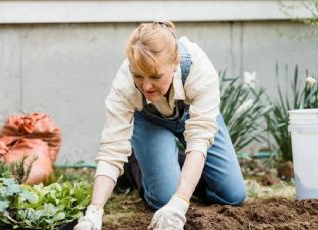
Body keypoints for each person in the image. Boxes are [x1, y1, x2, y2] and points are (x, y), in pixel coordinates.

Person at [74, 21, 246, 230]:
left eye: (155, 76)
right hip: (149, 122)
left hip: (195, 118)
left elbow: (200, 139)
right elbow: (112, 149)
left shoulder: (198, 69)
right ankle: (135, 167)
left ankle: (170, 165)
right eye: (138, 75)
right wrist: (95, 211)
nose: (146, 86)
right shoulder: (124, 84)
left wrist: (181, 201)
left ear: (175, 62)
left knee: (232, 195)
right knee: (163, 198)